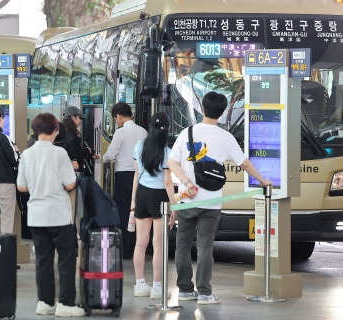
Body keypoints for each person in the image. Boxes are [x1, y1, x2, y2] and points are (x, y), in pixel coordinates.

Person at [167, 91, 272, 304]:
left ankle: (185, 290)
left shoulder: (187, 132)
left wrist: (187, 183)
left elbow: (172, 163)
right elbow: (245, 164)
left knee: (183, 246)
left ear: (203, 109)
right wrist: (263, 181)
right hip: (212, 202)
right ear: (222, 113)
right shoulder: (226, 137)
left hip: (187, 200)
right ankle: (205, 293)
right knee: (206, 247)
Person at [16, 113, 85, 317]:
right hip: (58, 214)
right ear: (55, 130)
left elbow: (21, 186)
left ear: (35, 131)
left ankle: (45, 302)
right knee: (66, 259)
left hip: (36, 215)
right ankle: (65, 303)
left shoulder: (27, 154)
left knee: (43, 260)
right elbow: (70, 183)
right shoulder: (60, 154)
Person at [131, 112, 176, 300]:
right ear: (168, 130)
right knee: (158, 244)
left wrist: (133, 203)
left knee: (140, 243)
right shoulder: (167, 152)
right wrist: (174, 207)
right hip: (159, 196)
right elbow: (167, 182)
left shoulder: (139, 146)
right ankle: (157, 287)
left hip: (141, 193)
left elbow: (136, 174)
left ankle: (140, 284)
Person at [103, 102, 147, 259]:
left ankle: (125, 250)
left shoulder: (120, 133)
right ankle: (137, 247)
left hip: (123, 176)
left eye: (115, 119)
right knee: (137, 212)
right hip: (141, 177)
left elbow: (110, 155)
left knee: (123, 212)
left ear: (119, 116)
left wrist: (105, 159)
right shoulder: (143, 132)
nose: (116, 121)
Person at [61, 106, 98, 177]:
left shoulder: (62, 132)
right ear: (72, 117)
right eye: (79, 117)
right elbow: (75, 154)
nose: (81, 120)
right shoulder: (71, 136)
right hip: (71, 172)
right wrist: (87, 151)